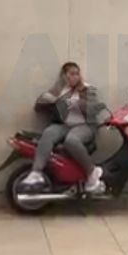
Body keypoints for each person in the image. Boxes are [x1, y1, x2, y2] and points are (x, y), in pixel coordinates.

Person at [21, 62, 105, 191]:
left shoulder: (88, 89)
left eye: (77, 74)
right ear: (64, 76)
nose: (75, 77)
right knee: (48, 133)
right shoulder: (58, 90)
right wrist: (48, 99)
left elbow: (93, 108)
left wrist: (75, 102)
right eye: (71, 74)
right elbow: (38, 107)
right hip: (64, 125)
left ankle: (91, 172)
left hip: (85, 125)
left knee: (71, 140)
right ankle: (36, 173)